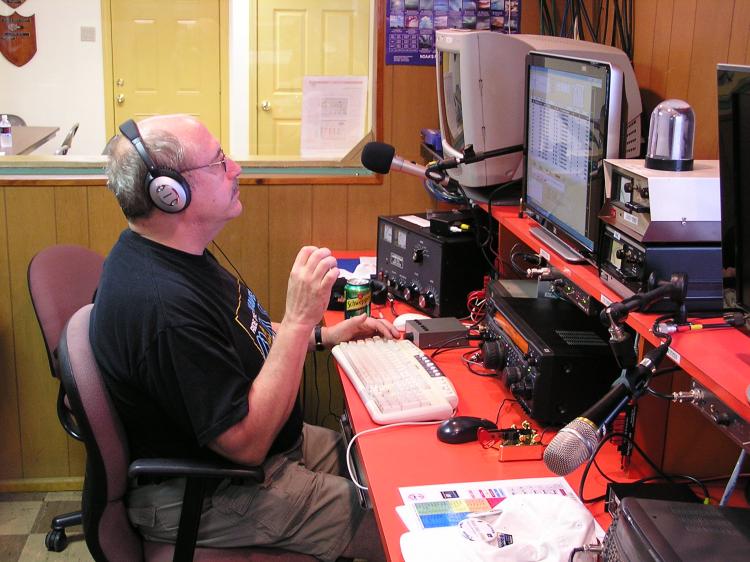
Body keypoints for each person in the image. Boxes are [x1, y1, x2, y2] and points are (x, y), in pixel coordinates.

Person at [91, 114, 398, 561]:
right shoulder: (163, 309)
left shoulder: (177, 252)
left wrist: (324, 334)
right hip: (214, 490)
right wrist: (298, 321)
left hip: (268, 451)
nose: (235, 168)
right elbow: (246, 445)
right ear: (170, 193)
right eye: (218, 161)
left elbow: (243, 333)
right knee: (397, 523)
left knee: (386, 461)